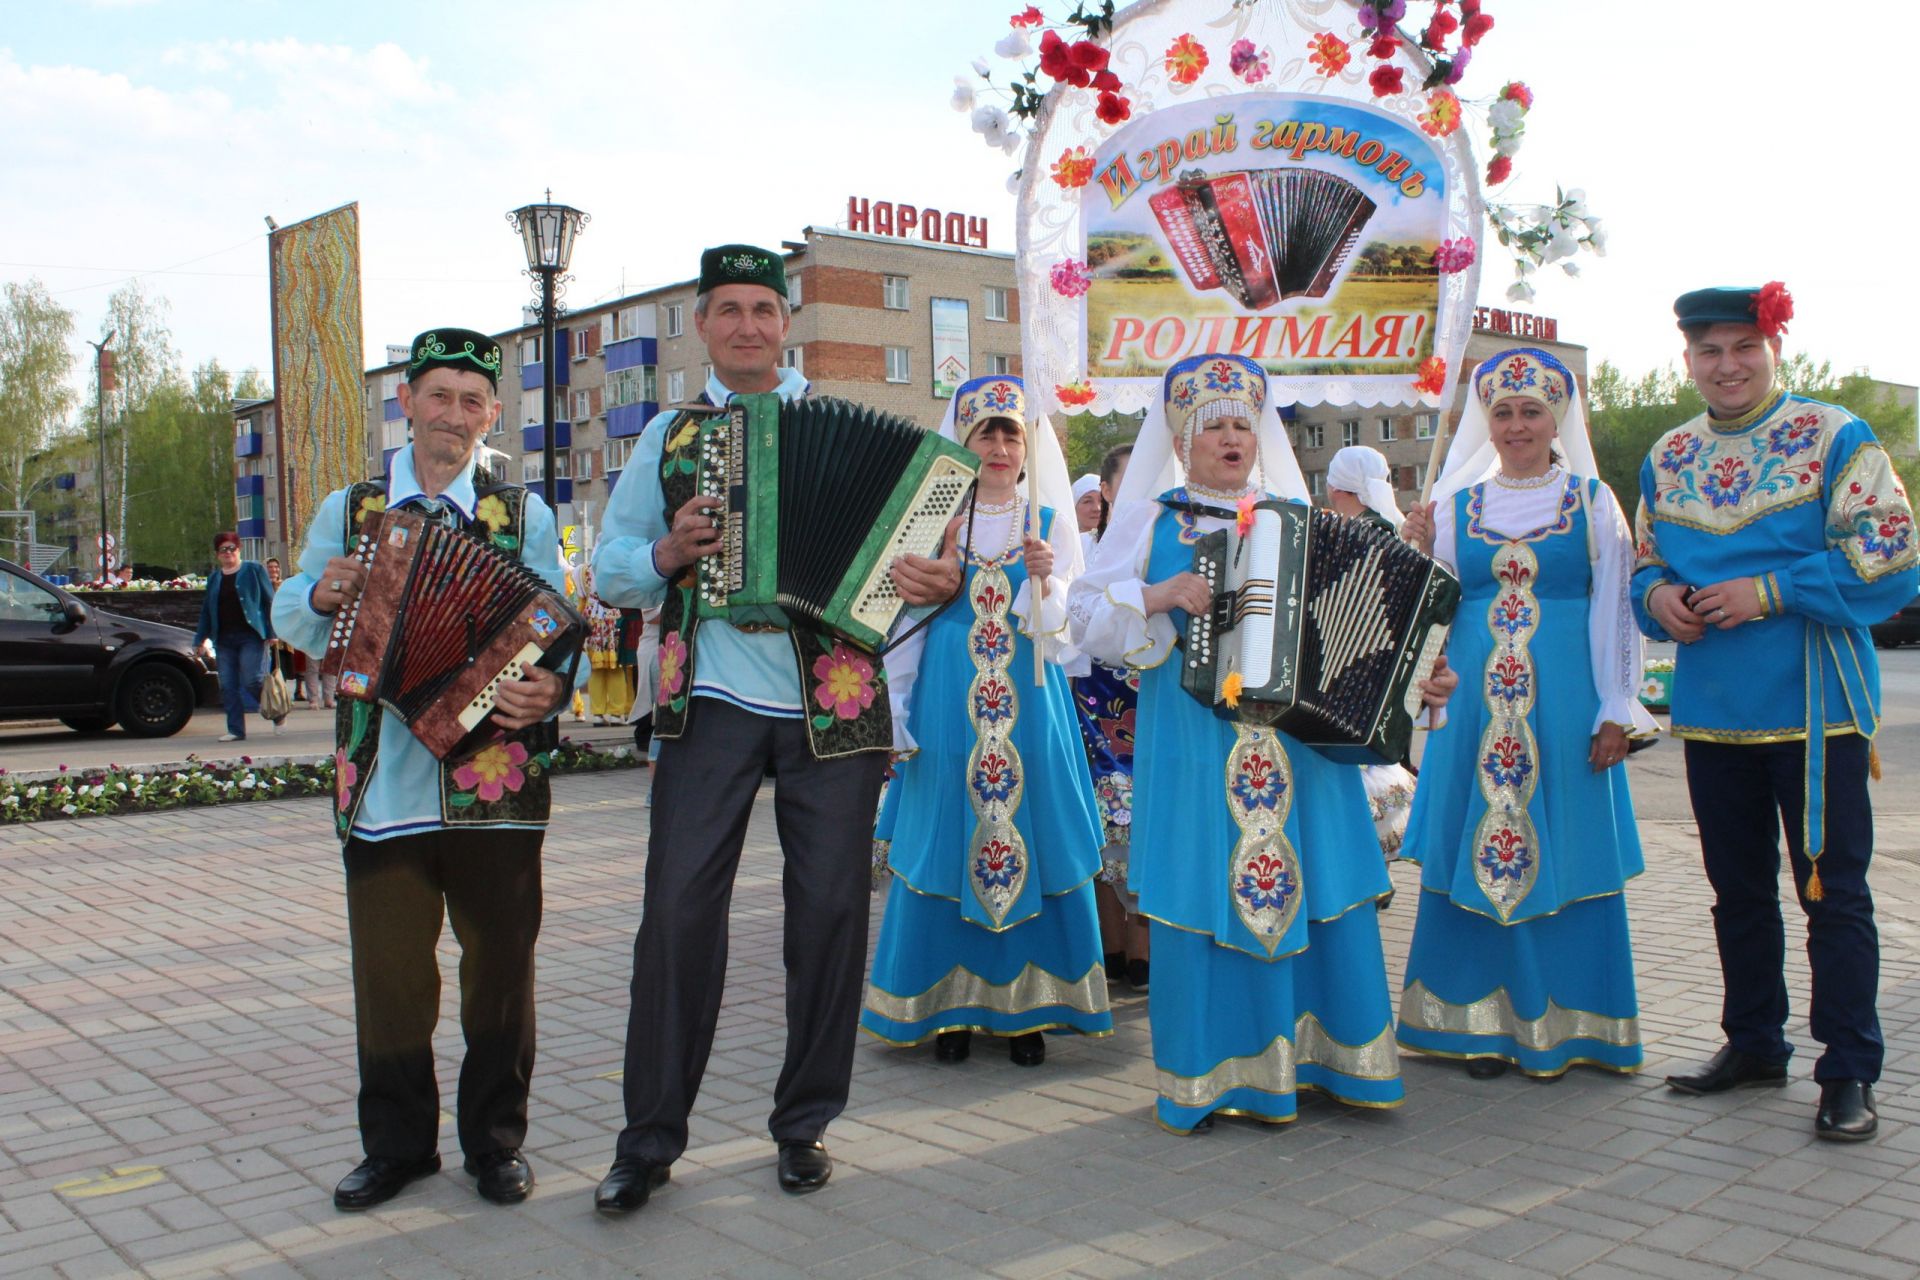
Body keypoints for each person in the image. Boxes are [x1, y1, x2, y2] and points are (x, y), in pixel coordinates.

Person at [590, 245, 963, 1211]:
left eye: (764, 308)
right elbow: (612, 567)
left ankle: (805, 1124)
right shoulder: (668, 436)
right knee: (676, 914)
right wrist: (669, 552)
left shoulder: (856, 428)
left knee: (830, 914)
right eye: (729, 310)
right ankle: (648, 1139)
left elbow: (924, 570)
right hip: (706, 699)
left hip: (833, 701)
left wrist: (940, 580)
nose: (748, 325)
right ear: (703, 325)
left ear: (784, 323)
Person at [1070, 354, 1456, 1133]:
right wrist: (1156, 594)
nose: (1230, 437)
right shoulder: (1150, 517)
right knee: (1204, 882)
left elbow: (1369, 633)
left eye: (1243, 423)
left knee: (1312, 882)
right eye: (1212, 425)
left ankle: (1327, 1061)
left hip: (1301, 752)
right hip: (1193, 741)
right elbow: (1081, 617)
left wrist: (1417, 688)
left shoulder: (1300, 517)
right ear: (1181, 439)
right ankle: (1214, 1076)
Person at [273, 327, 576, 1210]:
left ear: (492, 414)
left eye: (472, 401)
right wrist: (322, 596)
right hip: (381, 782)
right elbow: (294, 609)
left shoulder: (524, 517)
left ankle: (495, 1143)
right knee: (392, 978)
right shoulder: (352, 507)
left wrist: (548, 691)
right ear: (406, 402)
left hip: (496, 782)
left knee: (500, 973)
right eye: (438, 396)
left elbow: (553, 627)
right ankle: (399, 1148)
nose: (454, 415)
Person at [1631, 284, 1918, 1140]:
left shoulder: (1836, 436)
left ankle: (1849, 1070)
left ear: (1774, 349)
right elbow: (1645, 560)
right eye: (1709, 351)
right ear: (1687, 361)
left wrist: (1770, 591)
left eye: (1743, 347)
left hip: (1816, 705)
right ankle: (1754, 1042)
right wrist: (1660, 602)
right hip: (1714, 712)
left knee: (1833, 894)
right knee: (1737, 892)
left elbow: (1892, 557)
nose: (1727, 366)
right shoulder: (1667, 454)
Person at [1395, 348, 1655, 1079]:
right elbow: (1429, 613)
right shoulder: (1452, 509)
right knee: (1476, 847)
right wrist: (1412, 561)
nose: (1516, 426)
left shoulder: (1594, 502)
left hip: (1567, 705)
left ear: (1557, 419)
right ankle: (1476, 1022)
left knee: (1564, 849)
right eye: (1503, 412)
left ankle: (1572, 1023)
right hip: (1474, 711)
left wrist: (1617, 708)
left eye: (1531, 411)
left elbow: (1617, 612)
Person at [861, 376, 1111, 1064]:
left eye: (1012, 433)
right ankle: (948, 1008)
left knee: (1034, 835)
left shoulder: (1050, 526)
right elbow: (900, 627)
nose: (999, 446)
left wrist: (1048, 582)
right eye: (985, 433)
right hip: (948, 701)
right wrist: (899, 714)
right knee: (947, 839)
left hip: (1031, 709)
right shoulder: (932, 522)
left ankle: (1030, 1010)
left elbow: (1072, 638)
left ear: (1029, 450)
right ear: (961, 444)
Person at [1073, 443, 1149, 988]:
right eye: (1129, 481)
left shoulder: (1166, 538)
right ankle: (1110, 943)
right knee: (1102, 822)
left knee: (1146, 819)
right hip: (1094, 698)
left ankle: (1144, 945)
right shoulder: (1082, 549)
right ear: (1105, 490)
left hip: (1151, 697)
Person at [1321, 445, 1416, 865]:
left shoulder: (1355, 534)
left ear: (1336, 486)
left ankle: (1361, 869)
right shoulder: (1392, 530)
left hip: (1351, 677)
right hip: (1384, 672)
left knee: (1350, 775)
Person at [193, 531, 280, 743]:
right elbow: (207, 611)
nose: (228, 553)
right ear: (217, 554)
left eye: (232, 548)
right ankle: (235, 730)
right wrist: (199, 639)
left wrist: (272, 632)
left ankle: (276, 710)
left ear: (239, 550)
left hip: (251, 636)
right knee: (228, 685)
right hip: (223, 639)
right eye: (223, 550)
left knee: (252, 680)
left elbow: (270, 601)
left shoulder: (253, 570)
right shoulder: (214, 578)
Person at [581, 567, 634, 726]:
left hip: (593, 620)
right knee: (616, 670)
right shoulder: (615, 567)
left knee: (596, 671)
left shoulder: (583, 571)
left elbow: (582, 597)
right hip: (613, 618)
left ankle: (597, 713)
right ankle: (616, 714)